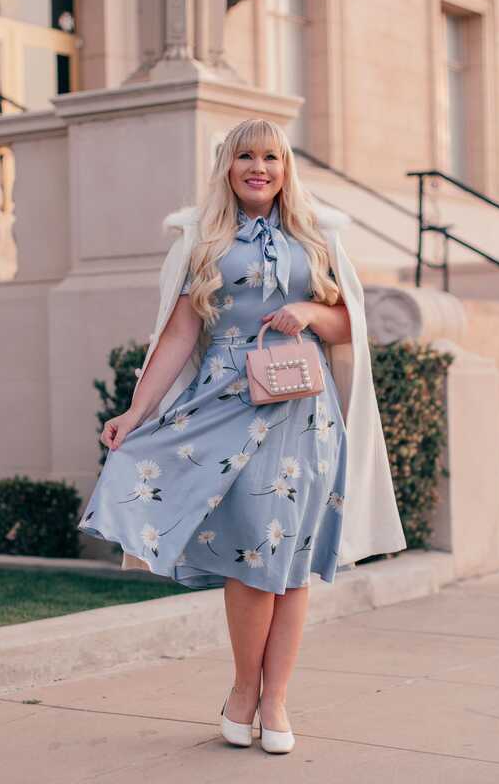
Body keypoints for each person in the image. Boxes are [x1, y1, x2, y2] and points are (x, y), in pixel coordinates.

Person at [78, 118, 406, 754]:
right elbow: (176, 336)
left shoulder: (317, 238)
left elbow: (350, 325)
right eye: (247, 156)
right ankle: (242, 689)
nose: (260, 167)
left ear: (286, 170)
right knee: (254, 555)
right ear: (228, 166)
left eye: (272, 158)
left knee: (293, 561)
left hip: (304, 415)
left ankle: (276, 697)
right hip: (226, 405)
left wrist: (310, 312)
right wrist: (136, 411)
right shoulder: (203, 240)